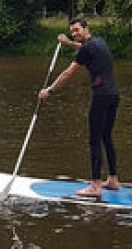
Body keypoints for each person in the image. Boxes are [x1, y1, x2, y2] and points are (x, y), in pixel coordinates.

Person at [38, 17, 121, 197]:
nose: (74, 33)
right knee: (106, 136)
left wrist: (50, 90)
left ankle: (95, 186)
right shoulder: (99, 42)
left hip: (101, 96)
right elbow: (83, 49)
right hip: (113, 95)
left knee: (94, 140)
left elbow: (67, 74)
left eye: (77, 30)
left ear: (85, 28)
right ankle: (113, 180)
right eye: (72, 31)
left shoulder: (87, 48)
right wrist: (68, 43)